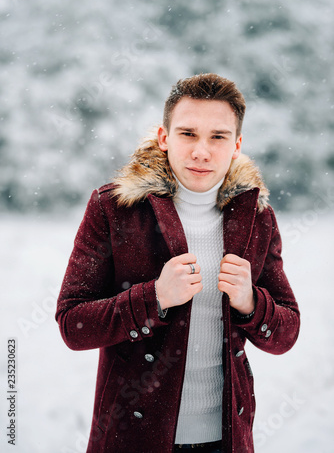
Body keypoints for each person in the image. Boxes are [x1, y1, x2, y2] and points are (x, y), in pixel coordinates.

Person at [56, 73, 300, 453]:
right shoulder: (113, 208)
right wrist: (152, 298)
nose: (201, 151)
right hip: (133, 438)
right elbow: (73, 325)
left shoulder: (256, 217)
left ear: (236, 145)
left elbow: (287, 332)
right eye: (188, 133)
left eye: (217, 137)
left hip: (227, 439)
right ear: (164, 137)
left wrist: (251, 303)